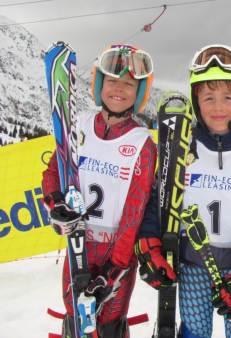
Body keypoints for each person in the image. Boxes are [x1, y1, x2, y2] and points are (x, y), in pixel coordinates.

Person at [136, 44, 231, 338]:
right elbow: (160, 201)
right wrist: (149, 244)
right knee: (194, 332)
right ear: (196, 100)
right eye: (208, 98)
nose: (218, 107)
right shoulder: (181, 148)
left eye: (228, 97)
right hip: (192, 264)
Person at [42, 44, 157, 337]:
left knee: (107, 321)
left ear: (140, 93)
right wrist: (54, 201)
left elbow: (135, 212)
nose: (119, 89)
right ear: (98, 85)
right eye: (112, 81)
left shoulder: (143, 144)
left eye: (129, 84)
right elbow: (54, 171)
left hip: (115, 253)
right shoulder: (79, 125)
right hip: (78, 244)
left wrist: (114, 269)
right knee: (74, 315)